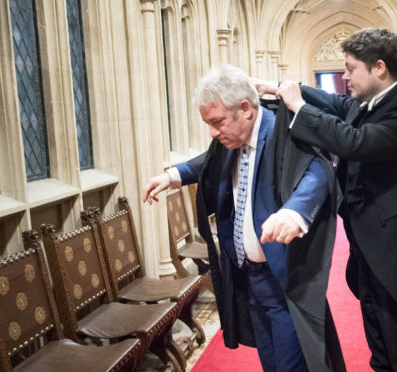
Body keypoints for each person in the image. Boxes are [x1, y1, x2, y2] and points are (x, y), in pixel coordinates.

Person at [256, 28, 397, 372]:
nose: (344, 76)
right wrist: (281, 89)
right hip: (371, 243)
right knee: (380, 340)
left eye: (351, 69)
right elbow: (339, 104)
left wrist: (298, 108)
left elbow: (354, 141)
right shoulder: (372, 101)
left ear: (379, 67)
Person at [142, 65, 345, 372]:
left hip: (285, 280)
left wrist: (295, 211)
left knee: (295, 366)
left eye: (217, 122)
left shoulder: (286, 130)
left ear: (246, 109)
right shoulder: (230, 140)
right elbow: (206, 161)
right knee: (271, 364)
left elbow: (316, 172)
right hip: (250, 279)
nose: (213, 132)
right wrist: (172, 176)